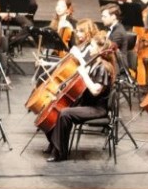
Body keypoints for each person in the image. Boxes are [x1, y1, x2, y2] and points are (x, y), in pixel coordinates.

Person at [44, 33, 116, 162]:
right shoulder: (95, 63)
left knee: (65, 113)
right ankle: (54, 144)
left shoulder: (103, 68)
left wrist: (84, 74)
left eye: (92, 46)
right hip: (87, 104)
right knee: (56, 108)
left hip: (97, 109)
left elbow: (95, 91)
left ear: (100, 49)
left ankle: (60, 153)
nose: (89, 48)